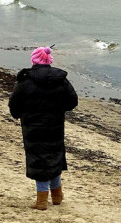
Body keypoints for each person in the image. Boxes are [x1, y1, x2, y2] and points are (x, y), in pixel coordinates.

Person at [8, 47, 78, 210]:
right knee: (54, 157)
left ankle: (41, 200)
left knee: (39, 160)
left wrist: (19, 114)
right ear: (48, 61)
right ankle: (56, 195)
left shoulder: (25, 82)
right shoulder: (61, 80)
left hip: (33, 127)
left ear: (34, 60)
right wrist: (59, 109)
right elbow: (72, 101)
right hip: (55, 126)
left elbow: (14, 104)